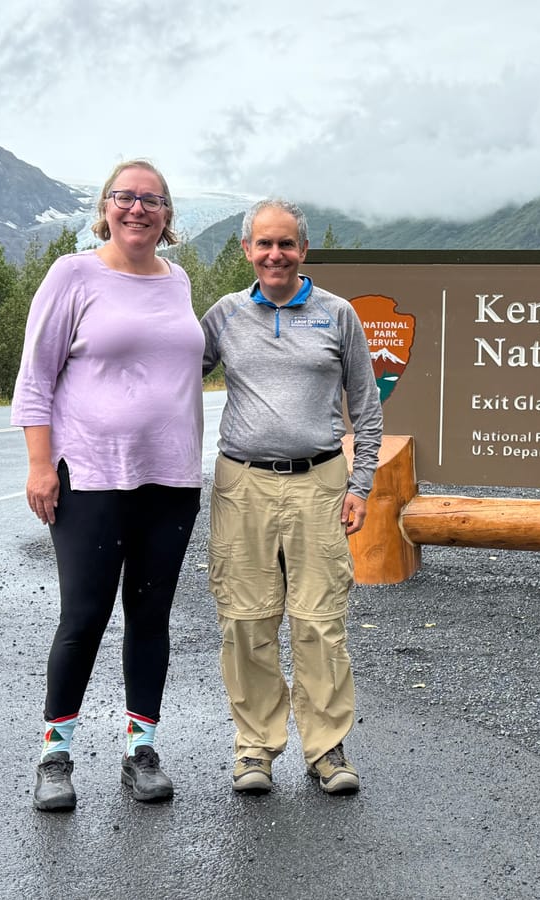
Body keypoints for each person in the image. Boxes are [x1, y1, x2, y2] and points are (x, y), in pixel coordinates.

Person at [11, 159, 204, 811]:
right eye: (125, 197)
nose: (137, 208)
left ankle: (140, 753)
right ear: (106, 207)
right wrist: (41, 464)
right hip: (91, 477)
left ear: (167, 215)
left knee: (150, 617)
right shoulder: (73, 274)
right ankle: (55, 756)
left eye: (152, 199)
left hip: (171, 479)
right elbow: (36, 377)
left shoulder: (178, 281)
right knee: (84, 617)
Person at [200, 198, 383, 795]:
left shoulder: (337, 314)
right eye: (264, 243)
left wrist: (360, 485)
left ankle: (326, 748)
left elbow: (367, 408)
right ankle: (255, 748)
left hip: (320, 482)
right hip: (242, 484)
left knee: (320, 621)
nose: (274, 254)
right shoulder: (224, 315)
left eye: (285, 243)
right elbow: (169, 376)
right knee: (245, 619)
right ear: (247, 250)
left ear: (303, 249)